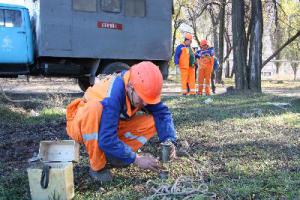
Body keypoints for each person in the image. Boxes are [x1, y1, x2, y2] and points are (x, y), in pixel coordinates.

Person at [65, 61, 177, 183]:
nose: (145, 104)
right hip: (82, 124)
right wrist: (137, 159)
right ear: (129, 87)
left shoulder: (141, 87)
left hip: (107, 125)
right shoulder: (114, 93)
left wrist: (169, 140)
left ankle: (118, 154)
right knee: (94, 109)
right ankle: (97, 167)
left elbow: (162, 113)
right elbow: (107, 139)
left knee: (153, 120)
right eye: (142, 98)